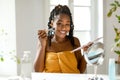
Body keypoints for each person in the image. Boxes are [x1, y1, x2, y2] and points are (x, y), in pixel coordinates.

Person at [34, 4, 92, 73]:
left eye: (67, 24)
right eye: (59, 23)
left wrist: (86, 53)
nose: (64, 28)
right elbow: (37, 71)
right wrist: (42, 45)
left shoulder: (74, 41)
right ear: (52, 24)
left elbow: (80, 70)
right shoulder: (45, 41)